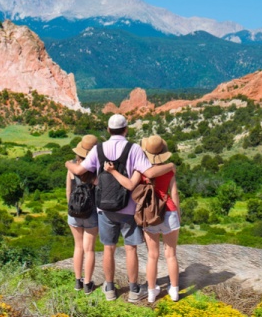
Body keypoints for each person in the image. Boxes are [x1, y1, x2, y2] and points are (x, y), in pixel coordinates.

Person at [64, 114, 174, 302]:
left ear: (108, 130)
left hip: (104, 208)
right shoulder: (134, 149)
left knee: (109, 248)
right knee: (130, 249)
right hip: (128, 207)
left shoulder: (98, 149)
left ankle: (109, 288)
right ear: (126, 129)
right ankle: (133, 290)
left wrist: (68, 163)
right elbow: (149, 172)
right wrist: (171, 166)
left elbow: (80, 171)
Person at [105, 135, 181, 302]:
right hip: (169, 211)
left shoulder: (140, 171)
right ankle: (174, 291)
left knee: (152, 255)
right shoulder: (169, 170)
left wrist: (112, 171)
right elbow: (174, 194)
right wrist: (179, 216)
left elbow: (129, 185)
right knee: (171, 254)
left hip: (149, 214)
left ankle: (152, 292)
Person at [66, 134, 99, 294]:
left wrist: (72, 208)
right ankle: (87, 284)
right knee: (89, 249)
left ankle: (77, 281)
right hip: (91, 213)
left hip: (74, 213)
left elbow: (68, 191)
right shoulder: (96, 169)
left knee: (78, 247)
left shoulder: (71, 167)